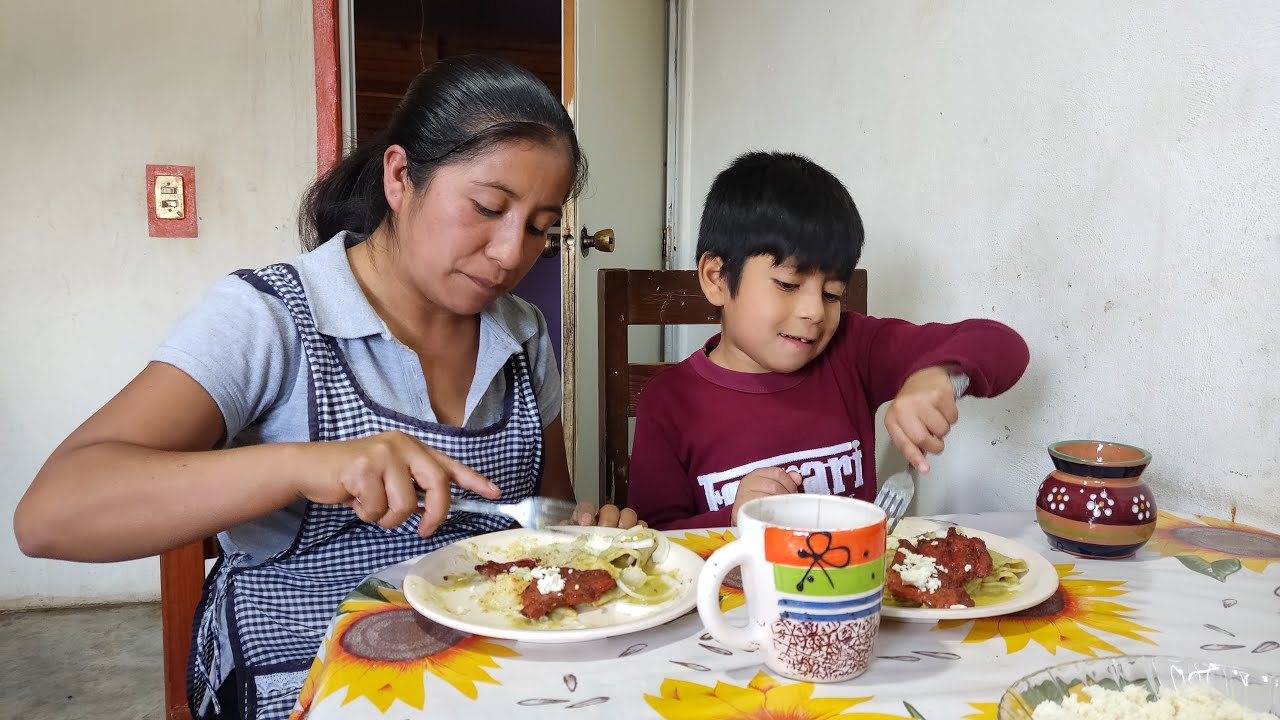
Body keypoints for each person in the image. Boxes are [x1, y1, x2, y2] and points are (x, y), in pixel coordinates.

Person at [14, 55, 632, 720]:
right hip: (305, 660)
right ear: (401, 177)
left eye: (540, 226)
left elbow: (548, 513)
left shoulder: (523, 334)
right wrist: (302, 463)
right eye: (487, 207)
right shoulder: (271, 318)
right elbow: (50, 516)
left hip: (487, 659)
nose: (512, 253)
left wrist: (585, 537)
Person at [627, 151, 1031, 530]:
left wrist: (937, 374)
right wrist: (734, 518)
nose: (815, 312)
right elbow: (656, 540)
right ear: (717, 278)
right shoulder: (670, 400)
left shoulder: (852, 349)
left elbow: (1003, 346)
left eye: (832, 293)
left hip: (853, 595)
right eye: (788, 284)